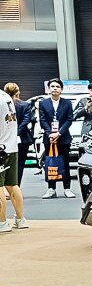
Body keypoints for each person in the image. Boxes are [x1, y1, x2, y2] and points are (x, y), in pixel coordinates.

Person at [37, 78, 75, 199]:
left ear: (61, 89)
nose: (55, 89)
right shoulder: (43, 103)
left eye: (57, 87)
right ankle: (51, 188)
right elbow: (42, 120)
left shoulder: (67, 103)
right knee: (50, 163)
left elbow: (69, 120)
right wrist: (50, 134)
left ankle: (67, 188)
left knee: (65, 163)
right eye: (52, 86)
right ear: (48, 89)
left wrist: (58, 133)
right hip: (49, 138)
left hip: (63, 138)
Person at [0, 88, 27, 231]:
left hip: (1, 149)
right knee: (12, 185)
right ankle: (20, 219)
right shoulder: (5, 97)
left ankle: (2, 222)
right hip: (11, 147)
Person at [4, 83, 33, 186]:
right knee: (20, 164)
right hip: (23, 138)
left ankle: (5, 187)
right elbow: (26, 121)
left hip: (4, 138)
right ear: (18, 92)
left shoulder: (3, 104)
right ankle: (16, 186)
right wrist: (17, 132)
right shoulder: (25, 105)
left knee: (4, 164)